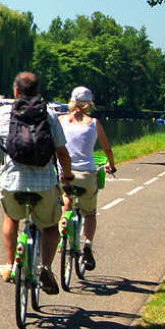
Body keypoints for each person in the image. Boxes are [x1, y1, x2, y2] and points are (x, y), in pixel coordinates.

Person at [0, 71, 75, 295]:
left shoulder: (2, 112)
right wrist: (67, 175)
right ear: (37, 92)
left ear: (15, 91)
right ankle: (45, 267)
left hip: (12, 181)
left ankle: (11, 265)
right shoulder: (50, 115)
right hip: (44, 183)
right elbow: (62, 152)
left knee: (11, 218)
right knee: (51, 226)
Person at [56, 87, 117, 270]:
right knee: (89, 212)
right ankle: (87, 245)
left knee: (66, 198)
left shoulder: (60, 121)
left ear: (72, 102)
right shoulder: (94, 123)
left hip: (64, 172)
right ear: (89, 104)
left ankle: (63, 229)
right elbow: (107, 149)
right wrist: (111, 165)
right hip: (87, 174)